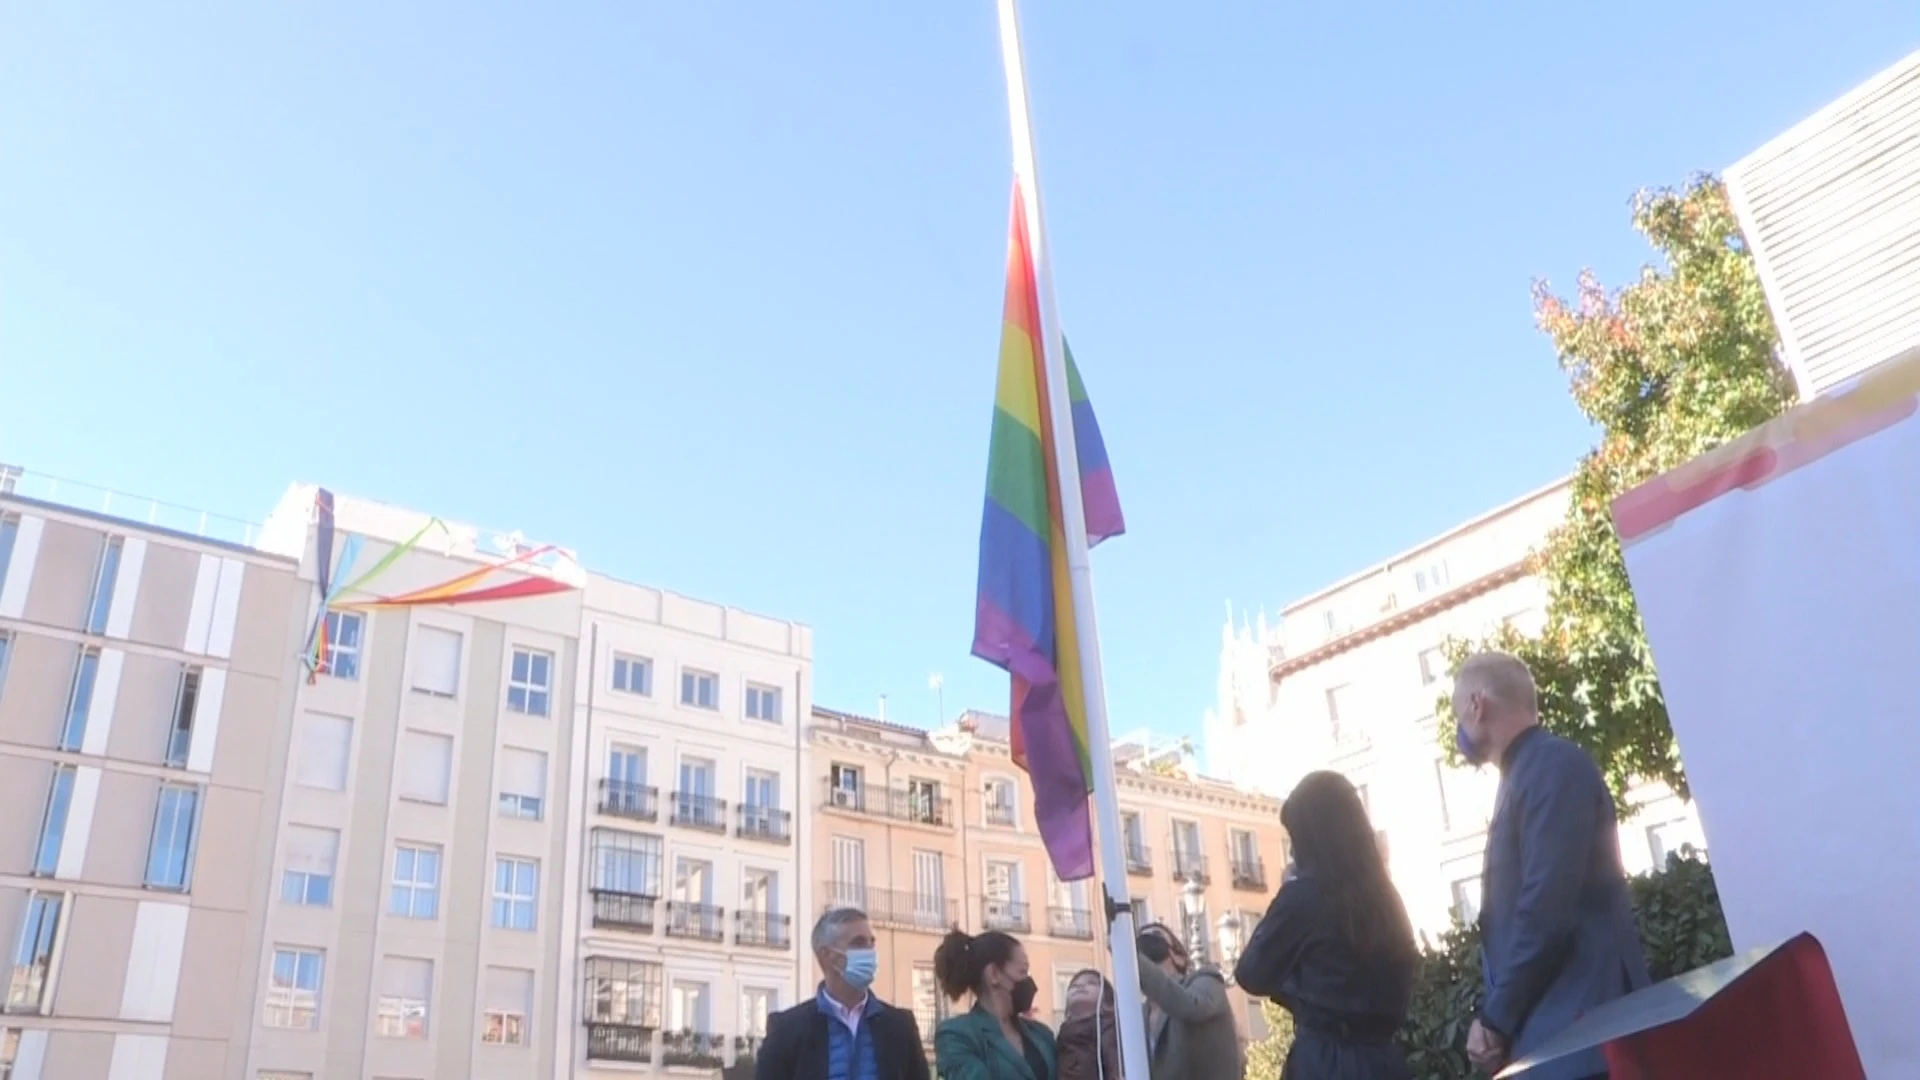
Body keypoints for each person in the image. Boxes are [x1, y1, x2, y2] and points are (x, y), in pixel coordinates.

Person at [1454, 651, 1651, 1080]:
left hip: (1583, 1044)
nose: (1458, 730)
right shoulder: (1532, 772)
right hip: (1567, 1042)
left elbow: (1545, 908)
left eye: (1457, 712)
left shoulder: (1550, 766)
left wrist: (1495, 1019)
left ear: (1477, 704)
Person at [1233, 770, 1418, 1079]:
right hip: (1384, 1060)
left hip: (1326, 1060)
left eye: (1294, 839)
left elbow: (1252, 973)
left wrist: (1301, 987)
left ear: (1310, 838)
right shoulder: (1385, 896)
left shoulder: (1305, 895)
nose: (1292, 851)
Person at [757, 908, 930, 1080]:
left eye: (872, 943)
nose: (870, 952)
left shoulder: (901, 1027)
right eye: (859, 943)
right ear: (826, 955)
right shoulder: (786, 1030)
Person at [932, 929, 1056, 1080]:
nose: (1029, 982)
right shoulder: (956, 1034)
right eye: (1022, 971)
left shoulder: (1042, 1034)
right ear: (994, 974)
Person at [1133, 923, 1241, 1080]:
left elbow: (1189, 1006)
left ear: (1179, 957)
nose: (1145, 940)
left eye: (1155, 936)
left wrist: (1130, 957)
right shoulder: (1138, 1014)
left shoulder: (1207, 981)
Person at [1055, 969, 1120, 1080]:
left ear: (1106, 997)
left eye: (1091, 983)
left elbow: (1114, 1062)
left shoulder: (1109, 1027)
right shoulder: (1064, 1032)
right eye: (1073, 985)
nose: (1080, 986)